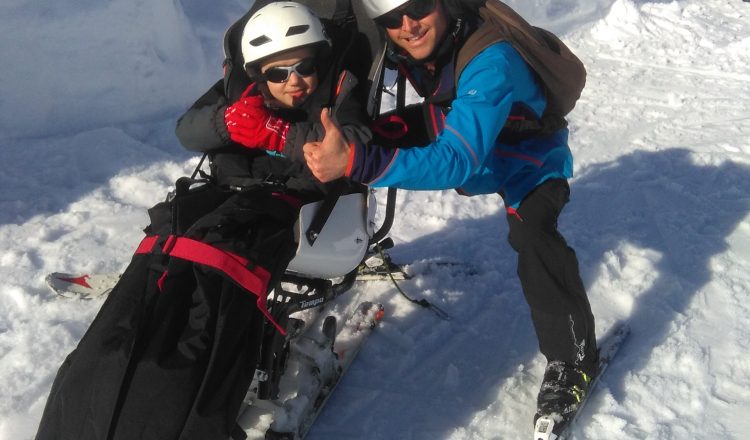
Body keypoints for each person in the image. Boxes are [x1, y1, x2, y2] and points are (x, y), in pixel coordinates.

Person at [34, 3, 375, 440]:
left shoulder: (339, 94)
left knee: (216, 266)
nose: (293, 81)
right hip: (224, 195)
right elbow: (187, 129)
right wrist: (225, 122)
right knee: (163, 248)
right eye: (277, 72)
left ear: (321, 59)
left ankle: (185, 392)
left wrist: (281, 136)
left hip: (293, 204)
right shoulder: (237, 90)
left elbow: (357, 145)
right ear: (257, 74)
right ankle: (104, 374)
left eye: (304, 66)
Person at [303, 0, 598, 431]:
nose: (407, 25)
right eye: (391, 18)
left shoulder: (492, 58)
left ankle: (574, 361)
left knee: (533, 236)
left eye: (418, 7)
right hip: (463, 123)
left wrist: (357, 164)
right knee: (362, 139)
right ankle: (350, 240)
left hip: (528, 155)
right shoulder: (411, 43)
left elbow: (457, 159)